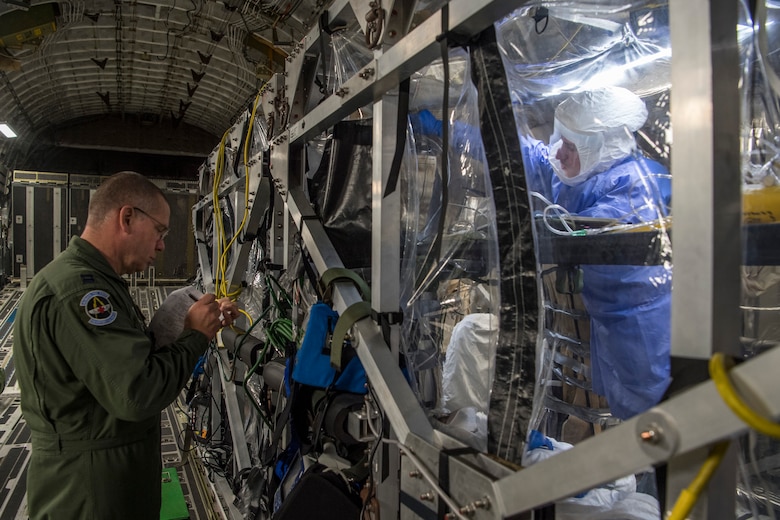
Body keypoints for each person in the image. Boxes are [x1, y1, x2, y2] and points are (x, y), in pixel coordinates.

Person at [12, 171, 239, 519]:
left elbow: (118, 366)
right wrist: (195, 334)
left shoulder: (97, 281)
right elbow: (136, 394)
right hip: (89, 492)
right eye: (160, 232)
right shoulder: (81, 293)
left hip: (106, 479)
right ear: (127, 218)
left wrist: (175, 323)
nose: (162, 245)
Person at [522, 86, 672, 420]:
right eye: (559, 140)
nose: (558, 154)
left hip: (645, 328)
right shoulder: (585, 174)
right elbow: (529, 155)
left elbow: (588, 235)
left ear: (602, 146)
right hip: (609, 322)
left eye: (570, 146)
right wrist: (457, 128)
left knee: (660, 423)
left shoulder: (639, 185)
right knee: (631, 417)